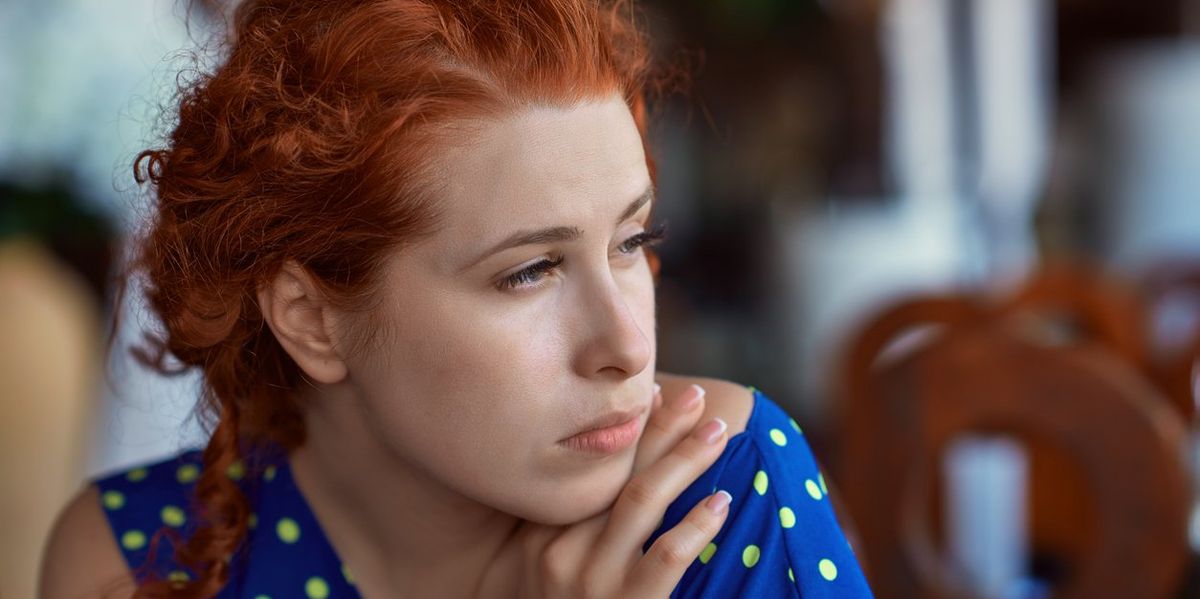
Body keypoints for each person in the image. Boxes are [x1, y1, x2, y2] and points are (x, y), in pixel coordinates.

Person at [38, 0, 873, 597]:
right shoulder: (129, 555)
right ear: (312, 319)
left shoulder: (722, 493)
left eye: (631, 241)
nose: (626, 346)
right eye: (529, 271)